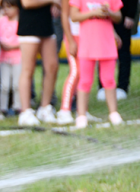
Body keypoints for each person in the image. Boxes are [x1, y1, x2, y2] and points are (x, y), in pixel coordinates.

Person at [70, 0, 124, 128]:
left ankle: (113, 113)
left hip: (107, 43)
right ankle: (81, 115)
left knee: (109, 79)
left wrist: (109, 12)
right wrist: (93, 12)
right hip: (87, 44)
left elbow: (118, 17)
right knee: (85, 80)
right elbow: (74, 16)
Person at [16, 0, 60, 126]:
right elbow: (27, 3)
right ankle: (25, 111)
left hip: (46, 24)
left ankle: (45, 108)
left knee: (52, 67)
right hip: (29, 25)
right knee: (28, 69)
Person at [0, 0, 22, 115]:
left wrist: (11, 46)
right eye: (4, 7)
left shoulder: (20, 22)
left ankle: (17, 106)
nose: (7, 10)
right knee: (4, 85)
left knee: (16, 84)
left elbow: (23, 41)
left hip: (18, 58)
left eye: (10, 7)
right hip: (4, 58)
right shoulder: (1, 22)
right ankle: (3, 107)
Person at [57, 0, 79, 123]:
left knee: (85, 74)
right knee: (75, 72)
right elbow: (64, 15)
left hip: (87, 35)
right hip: (74, 36)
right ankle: (64, 109)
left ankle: (81, 110)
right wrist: (70, 40)